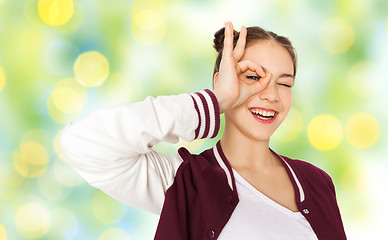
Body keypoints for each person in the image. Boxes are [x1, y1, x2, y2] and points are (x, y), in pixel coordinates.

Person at [60, 22, 347, 239]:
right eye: (253, 77)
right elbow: (82, 143)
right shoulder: (183, 182)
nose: (271, 94)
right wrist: (217, 101)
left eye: (284, 83)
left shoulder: (317, 183)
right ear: (223, 81)